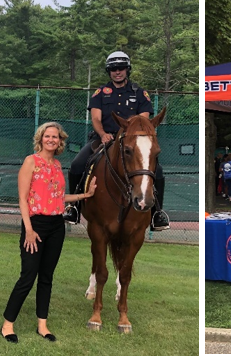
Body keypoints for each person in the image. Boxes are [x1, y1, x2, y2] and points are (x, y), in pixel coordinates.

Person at [1, 122, 96, 344]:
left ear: (60, 141)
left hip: (56, 226)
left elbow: (58, 197)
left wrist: (85, 195)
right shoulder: (31, 161)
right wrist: (29, 230)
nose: (51, 140)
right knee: (28, 276)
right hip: (35, 224)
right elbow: (23, 199)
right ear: (41, 138)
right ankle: (7, 324)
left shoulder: (57, 165)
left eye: (55, 137)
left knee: (46, 278)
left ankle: (42, 324)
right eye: (47, 136)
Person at [66, 51, 167, 231]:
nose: (117, 72)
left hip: (132, 141)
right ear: (109, 71)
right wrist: (103, 133)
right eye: (113, 69)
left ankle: (157, 213)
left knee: (157, 171)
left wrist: (127, 136)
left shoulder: (140, 93)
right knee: (77, 165)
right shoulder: (100, 93)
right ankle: (74, 207)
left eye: (121, 68)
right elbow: (96, 118)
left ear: (127, 70)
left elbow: (143, 122)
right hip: (103, 139)